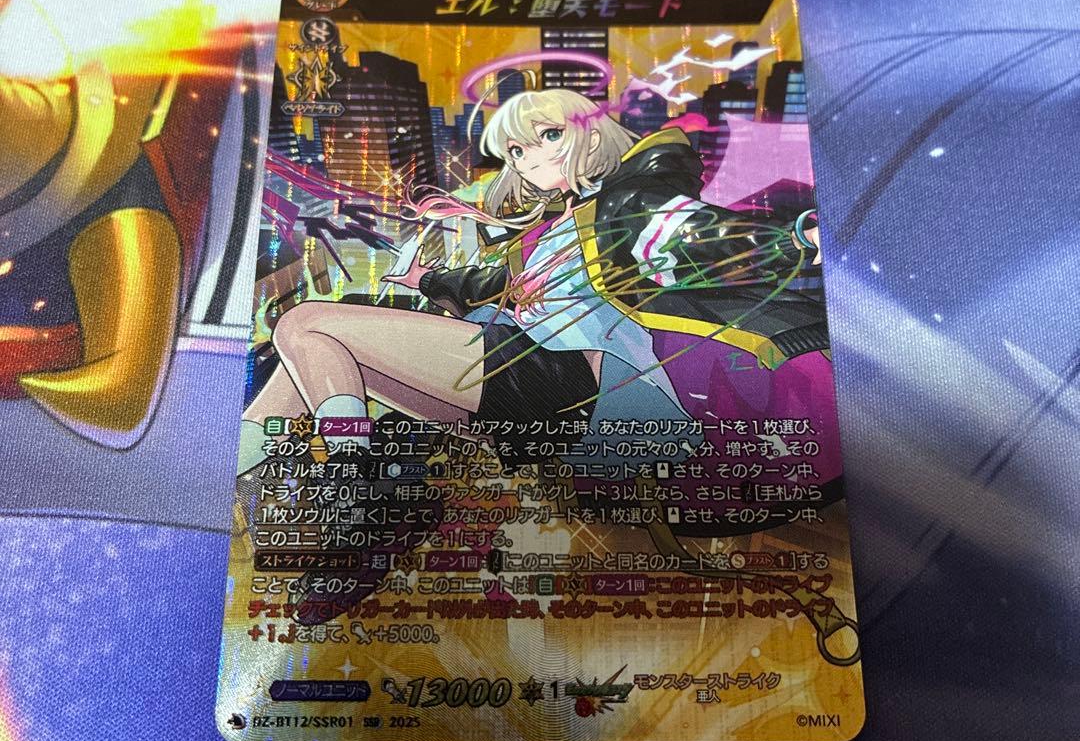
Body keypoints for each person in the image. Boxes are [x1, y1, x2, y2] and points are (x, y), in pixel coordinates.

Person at [238, 86, 826, 475]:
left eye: (548, 137)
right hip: (531, 384)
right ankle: (249, 470)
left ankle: (352, 478)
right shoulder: (560, 224)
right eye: (517, 150)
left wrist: (794, 238)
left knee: (305, 322)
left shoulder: (631, 203)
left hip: (574, 379)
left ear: (591, 135)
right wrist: (427, 281)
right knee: (312, 353)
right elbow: (485, 281)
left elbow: (695, 236)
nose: (529, 159)